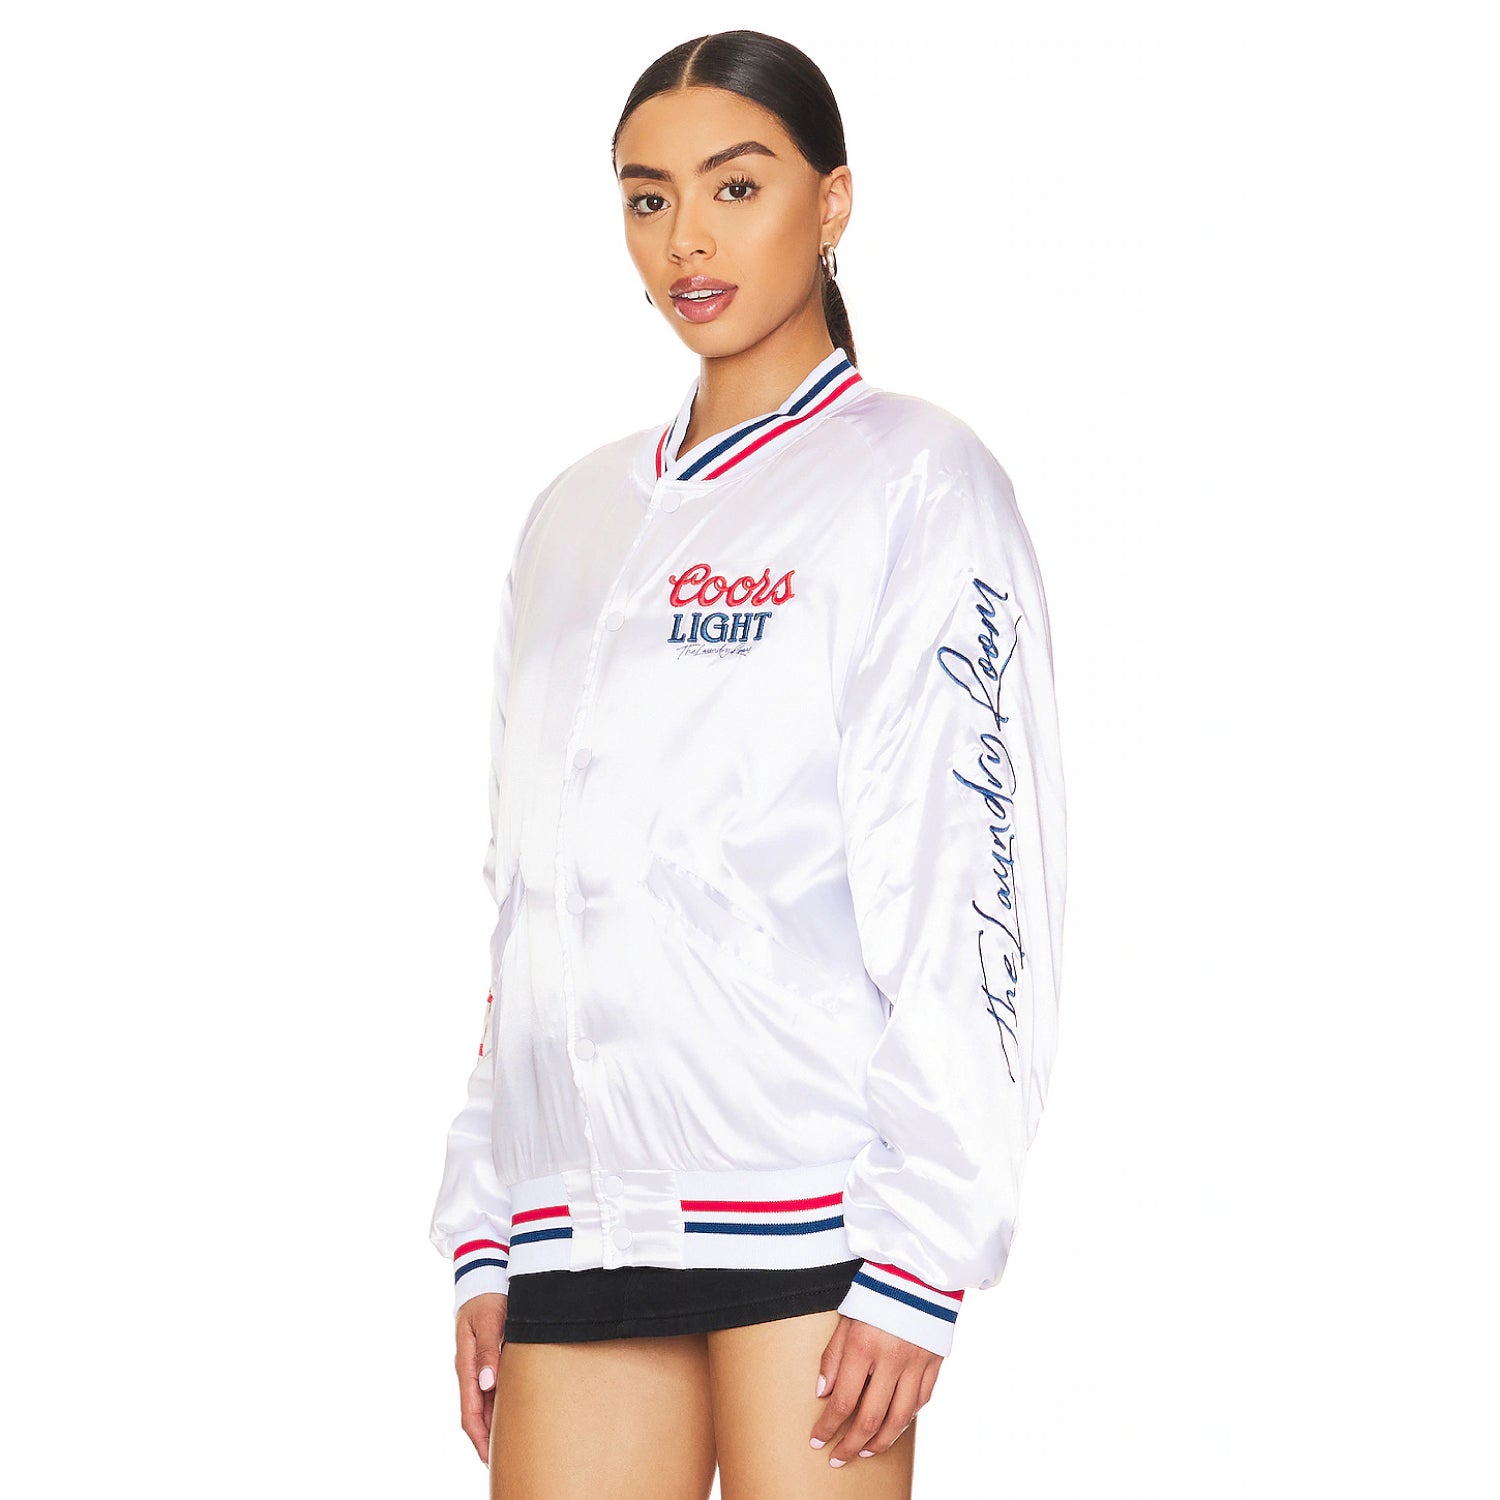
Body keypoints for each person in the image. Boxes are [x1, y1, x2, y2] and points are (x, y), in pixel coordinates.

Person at [428, 29, 1068, 1500]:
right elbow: (527, 900)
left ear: (832, 202)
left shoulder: (914, 480)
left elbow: (973, 879)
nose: (688, 241)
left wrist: (924, 1251)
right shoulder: (572, 517)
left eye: (735, 186)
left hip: (813, 1216)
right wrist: (488, 1216)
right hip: (577, 1219)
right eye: (647, 198)